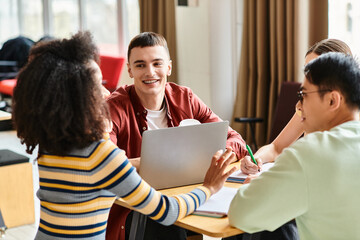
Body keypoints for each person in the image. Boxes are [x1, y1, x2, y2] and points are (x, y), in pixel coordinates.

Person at [11, 31, 237, 240]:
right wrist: (210, 187)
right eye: (97, 84)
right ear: (78, 95)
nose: (106, 91)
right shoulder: (100, 154)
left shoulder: (51, 145)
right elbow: (166, 211)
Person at [106, 32, 248, 239]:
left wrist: (217, 157)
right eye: (140, 65)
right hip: (138, 207)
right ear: (129, 70)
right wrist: (157, 161)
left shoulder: (185, 98)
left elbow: (236, 141)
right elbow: (106, 165)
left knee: (240, 214)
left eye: (157, 63)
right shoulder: (114, 108)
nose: (150, 72)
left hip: (189, 194)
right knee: (166, 222)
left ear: (169, 67)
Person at [228, 52, 360, 239]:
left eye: (303, 95)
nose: (299, 105)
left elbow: (240, 214)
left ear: (332, 100)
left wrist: (255, 186)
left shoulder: (310, 154)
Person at [240, 39, 353, 175]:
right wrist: (257, 158)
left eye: (315, 73)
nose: (307, 79)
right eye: (306, 71)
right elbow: (276, 147)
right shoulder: (307, 108)